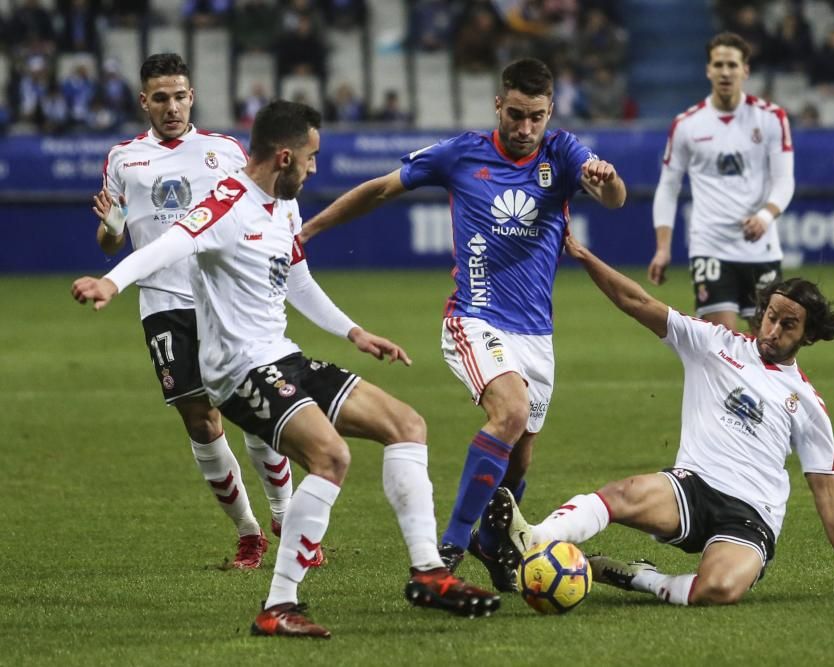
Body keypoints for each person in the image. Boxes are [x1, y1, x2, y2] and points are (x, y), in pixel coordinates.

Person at [72, 100, 501, 637]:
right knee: (331, 457)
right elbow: (170, 245)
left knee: (407, 426)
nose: (315, 167)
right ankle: (279, 606)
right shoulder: (227, 204)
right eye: (311, 157)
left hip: (282, 355)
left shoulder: (284, 205)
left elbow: (296, 280)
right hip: (236, 370)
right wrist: (111, 281)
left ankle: (429, 575)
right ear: (282, 156)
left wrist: (354, 332)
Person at [297, 57, 626, 591]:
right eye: (515, 114)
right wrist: (309, 229)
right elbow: (381, 189)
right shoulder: (460, 154)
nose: (524, 129)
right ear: (499, 104)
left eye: (535, 117)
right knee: (510, 412)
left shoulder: (563, 153)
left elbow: (614, 199)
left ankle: (491, 543)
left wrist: (606, 181)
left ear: (550, 112)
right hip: (473, 318)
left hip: (536, 335)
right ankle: (448, 548)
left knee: (518, 463)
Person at [487, 232, 834, 606]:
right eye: (771, 316)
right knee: (623, 494)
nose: (774, 329)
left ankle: (637, 577)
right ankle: (532, 539)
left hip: (752, 515)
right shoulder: (714, 343)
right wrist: (585, 256)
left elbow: (826, 489)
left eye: (789, 325)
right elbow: (638, 303)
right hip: (692, 490)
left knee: (717, 589)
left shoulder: (807, 402)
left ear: (808, 336)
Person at [94, 53, 298, 570]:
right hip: (163, 304)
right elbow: (108, 242)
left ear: (192, 96)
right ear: (144, 101)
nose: (171, 107)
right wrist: (112, 229)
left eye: (180, 96)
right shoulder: (123, 158)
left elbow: (262, 207)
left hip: (227, 300)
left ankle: (287, 517)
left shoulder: (224, 151)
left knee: (258, 413)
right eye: (160, 98)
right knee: (202, 422)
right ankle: (250, 533)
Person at [648, 32, 795, 334]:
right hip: (710, 245)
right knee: (721, 347)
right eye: (718, 64)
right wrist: (662, 248)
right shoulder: (687, 124)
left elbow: (785, 181)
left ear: (745, 70)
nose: (725, 72)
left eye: (732, 64)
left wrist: (766, 216)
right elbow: (668, 187)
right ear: (708, 70)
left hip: (761, 249)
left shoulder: (771, 118)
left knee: (765, 349)